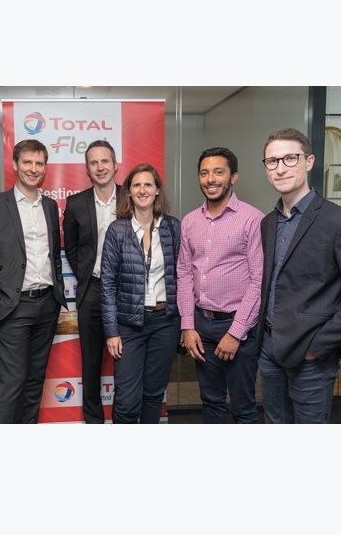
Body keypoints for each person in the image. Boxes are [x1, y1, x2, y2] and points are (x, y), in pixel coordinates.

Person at [0, 139, 67, 423]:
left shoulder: (50, 206)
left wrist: (58, 293)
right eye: (27, 162)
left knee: (35, 380)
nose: (33, 169)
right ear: (15, 164)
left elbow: (54, 255)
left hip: (47, 304)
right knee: (12, 383)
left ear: (45, 168)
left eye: (39, 163)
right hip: (13, 306)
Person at [257, 128, 341, 423]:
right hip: (269, 350)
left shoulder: (336, 220)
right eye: (272, 161)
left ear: (309, 161)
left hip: (311, 358)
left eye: (290, 158)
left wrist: (318, 347)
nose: (280, 168)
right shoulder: (268, 222)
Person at [177, 147, 264, 423]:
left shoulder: (253, 219)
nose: (210, 179)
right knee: (210, 402)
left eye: (218, 172)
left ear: (233, 176)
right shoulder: (190, 221)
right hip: (201, 327)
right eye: (204, 173)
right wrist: (188, 326)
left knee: (243, 407)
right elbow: (184, 274)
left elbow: (259, 281)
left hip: (239, 326)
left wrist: (236, 333)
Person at [100, 164, 181, 423]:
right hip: (129, 325)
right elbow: (108, 285)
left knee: (154, 394)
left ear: (157, 190)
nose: (142, 190)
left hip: (165, 322)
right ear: (129, 192)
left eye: (148, 184)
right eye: (136, 185)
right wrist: (112, 332)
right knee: (126, 399)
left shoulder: (172, 227)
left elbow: (182, 277)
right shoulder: (117, 230)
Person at [63, 139, 120, 423]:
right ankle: (94, 421)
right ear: (87, 169)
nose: (100, 167)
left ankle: (123, 418)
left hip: (127, 292)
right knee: (91, 363)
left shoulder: (132, 197)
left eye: (104, 161)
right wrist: (86, 274)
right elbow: (71, 249)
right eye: (93, 162)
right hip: (92, 291)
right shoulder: (75, 204)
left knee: (128, 364)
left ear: (115, 165)